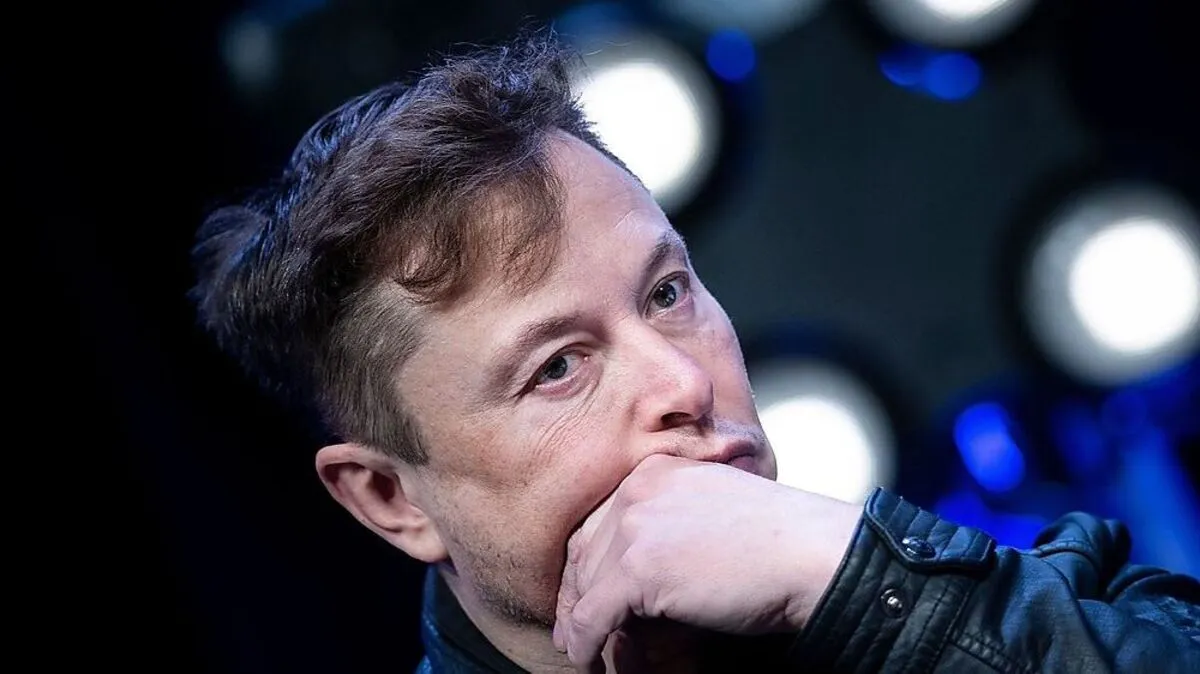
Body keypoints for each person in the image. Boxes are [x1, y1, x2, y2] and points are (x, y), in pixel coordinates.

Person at [190, 27, 1200, 673]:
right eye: (557, 366)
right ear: (391, 498)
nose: (682, 380)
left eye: (666, 293)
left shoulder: (1042, 597)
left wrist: (849, 581)